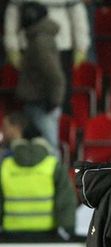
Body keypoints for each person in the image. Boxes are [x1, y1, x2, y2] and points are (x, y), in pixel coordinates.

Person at [4, 0, 90, 114]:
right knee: (32, 92)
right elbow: (12, 16)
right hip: (28, 45)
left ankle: (61, 125)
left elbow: (78, 15)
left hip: (62, 47)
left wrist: (81, 47)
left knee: (61, 92)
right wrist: (12, 47)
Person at [0, 113, 76, 241]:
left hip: (10, 235)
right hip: (47, 235)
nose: (3, 130)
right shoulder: (53, 165)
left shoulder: (5, 165)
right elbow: (66, 200)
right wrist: (69, 230)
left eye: (5, 126)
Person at [14, 1, 66, 152]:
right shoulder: (39, 38)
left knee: (49, 148)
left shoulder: (39, 42)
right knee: (39, 148)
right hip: (39, 102)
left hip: (41, 104)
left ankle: (57, 176)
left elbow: (56, 77)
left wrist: (53, 102)